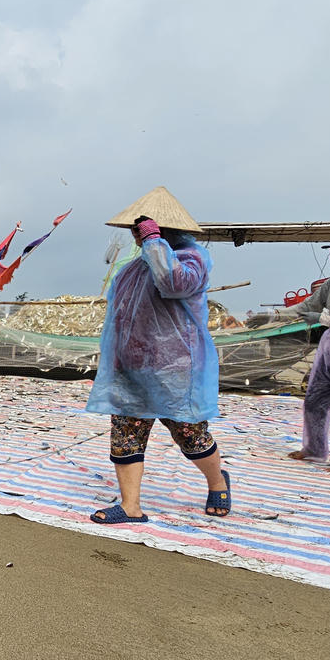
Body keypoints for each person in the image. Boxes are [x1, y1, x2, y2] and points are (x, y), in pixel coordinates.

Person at [85, 186, 230, 524]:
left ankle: (218, 481)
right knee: (126, 435)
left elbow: (174, 283)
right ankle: (131, 507)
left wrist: (154, 243)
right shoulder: (131, 270)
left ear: (162, 229)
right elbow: (119, 317)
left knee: (190, 435)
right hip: (132, 368)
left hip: (174, 368)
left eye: (142, 229)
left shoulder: (192, 259)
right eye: (136, 230)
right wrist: (116, 360)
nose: (136, 235)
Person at [247, 230, 330, 474]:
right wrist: (272, 315)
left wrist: (325, 319)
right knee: (314, 400)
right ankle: (314, 449)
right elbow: (306, 307)